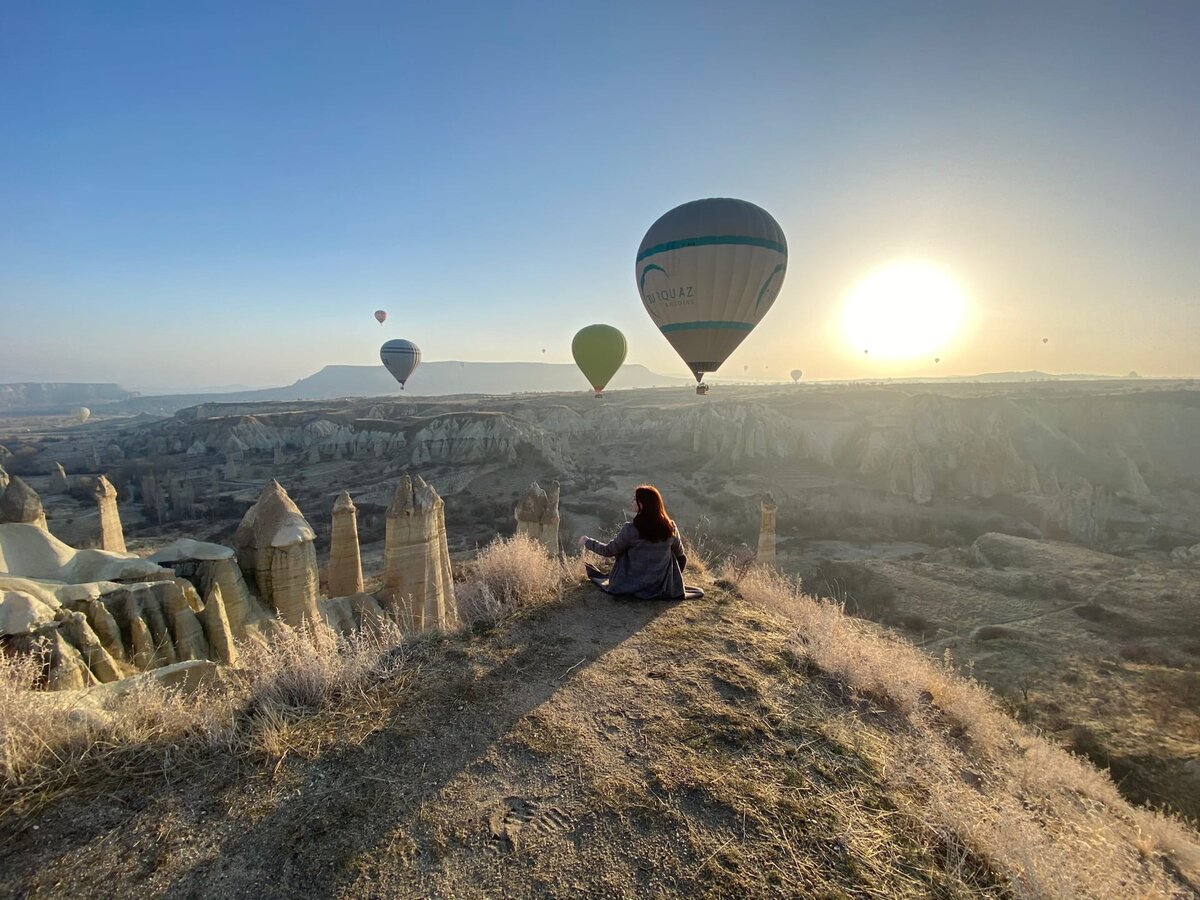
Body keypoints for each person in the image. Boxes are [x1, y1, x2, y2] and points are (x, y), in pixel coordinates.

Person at [578, 484, 704, 600]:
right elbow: (681, 557)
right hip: (661, 586)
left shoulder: (631, 529)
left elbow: (608, 551)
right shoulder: (670, 527)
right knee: (672, 554)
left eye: (634, 499)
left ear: (642, 504)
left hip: (630, 584)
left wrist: (587, 541)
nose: (632, 501)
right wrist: (673, 580)